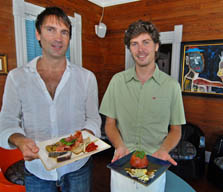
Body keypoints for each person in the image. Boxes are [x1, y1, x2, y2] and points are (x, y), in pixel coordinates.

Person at [0, 7, 101, 192]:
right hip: (38, 171)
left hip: (78, 167)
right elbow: (6, 122)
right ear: (38, 34)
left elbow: (94, 118)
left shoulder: (87, 78)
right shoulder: (17, 77)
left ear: (69, 38)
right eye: (50, 29)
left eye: (64, 32)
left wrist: (85, 135)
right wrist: (20, 141)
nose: (58, 38)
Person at [100, 20, 186, 192]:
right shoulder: (117, 81)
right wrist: (120, 146)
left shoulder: (172, 86)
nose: (140, 50)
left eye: (146, 42)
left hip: (155, 161)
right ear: (129, 48)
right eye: (134, 44)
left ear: (156, 46)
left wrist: (164, 150)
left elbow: (176, 129)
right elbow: (109, 124)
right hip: (122, 159)